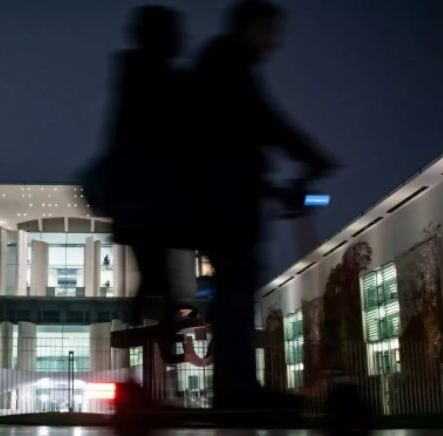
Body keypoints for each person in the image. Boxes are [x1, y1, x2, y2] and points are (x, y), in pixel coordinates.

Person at [180, 0, 335, 410]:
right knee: (236, 288)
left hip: (225, 197)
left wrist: (275, 183)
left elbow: (246, 134)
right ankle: (237, 390)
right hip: (223, 202)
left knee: (236, 289)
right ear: (251, 27)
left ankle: (235, 387)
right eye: (270, 31)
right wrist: (310, 154)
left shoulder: (225, 63)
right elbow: (261, 123)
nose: (275, 41)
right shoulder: (227, 63)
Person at [97, 5, 186, 323]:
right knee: (156, 269)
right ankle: (150, 323)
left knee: (154, 270)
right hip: (147, 196)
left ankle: (145, 322)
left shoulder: (135, 72)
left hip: (138, 196)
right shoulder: (157, 77)